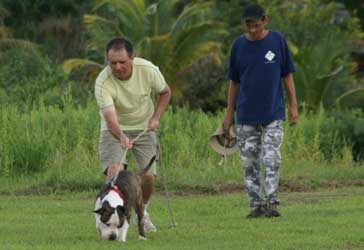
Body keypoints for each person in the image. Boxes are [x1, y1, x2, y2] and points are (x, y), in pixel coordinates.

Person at [222, 4, 298, 218]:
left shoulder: (277, 41)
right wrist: (229, 114)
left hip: (273, 113)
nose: (253, 30)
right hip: (245, 115)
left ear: (265, 20)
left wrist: (293, 106)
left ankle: (272, 203)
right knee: (249, 162)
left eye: (256, 25)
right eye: (249, 26)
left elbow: (288, 75)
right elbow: (234, 82)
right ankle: (255, 205)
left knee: (271, 158)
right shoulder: (238, 45)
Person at [95, 37, 171, 231]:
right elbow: (111, 119)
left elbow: (165, 92)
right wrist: (121, 136)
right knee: (115, 172)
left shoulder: (148, 70)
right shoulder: (103, 82)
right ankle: (110, 215)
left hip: (145, 126)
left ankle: (141, 213)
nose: (118, 67)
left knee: (148, 177)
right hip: (114, 129)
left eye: (122, 62)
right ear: (107, 61)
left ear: (132, 58)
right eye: (113, 63)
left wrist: (155, 118)